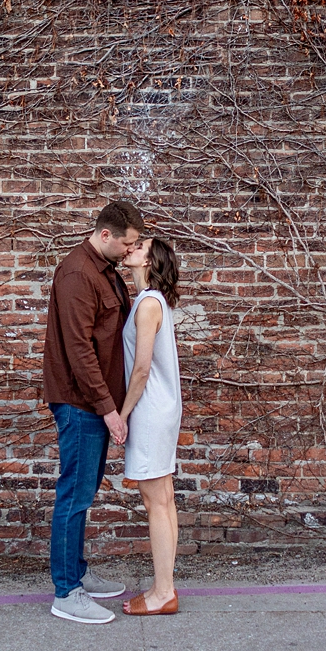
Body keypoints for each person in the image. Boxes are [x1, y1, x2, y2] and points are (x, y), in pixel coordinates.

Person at [41, 199, 146, 625]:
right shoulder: (77, 274)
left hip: (94, 402)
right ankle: (66, 592)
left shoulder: (104, 270)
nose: (130, 250)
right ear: (105, 235)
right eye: (128, 243)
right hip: (81, 402)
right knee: (74, 495)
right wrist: (109, 410)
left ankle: (78, 574)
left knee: (82, 493)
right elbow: (79, 350)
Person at [117, 237, 184, 617]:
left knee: (155, 501)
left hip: (149, 411)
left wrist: (122, 414)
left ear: (150, 260)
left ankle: (162, 593)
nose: (131, 246)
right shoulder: (153, 301)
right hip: (162, 409)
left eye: (139, 245)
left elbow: (141, 370)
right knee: (164, 499)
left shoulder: (147, 305)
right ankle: (165, 587)